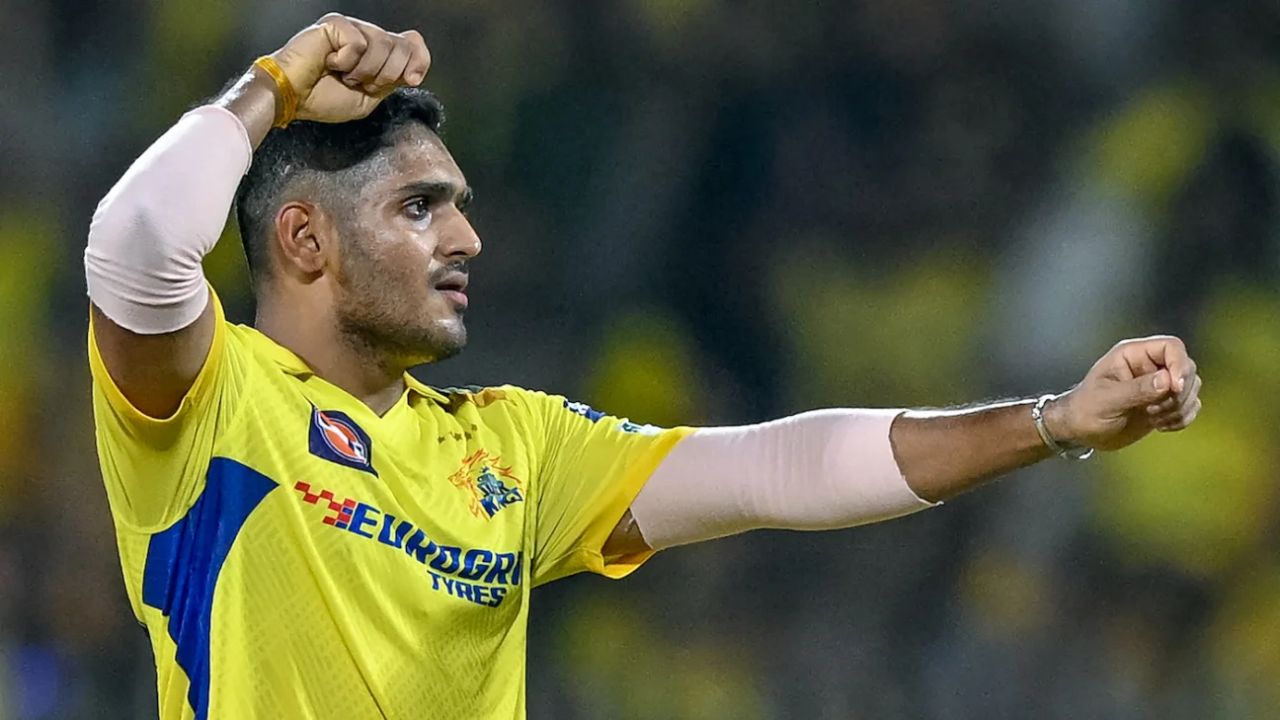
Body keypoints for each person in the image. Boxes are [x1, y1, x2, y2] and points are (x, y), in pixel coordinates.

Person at [84, 14, 1203, 720]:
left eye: (461, 206)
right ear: (304, 239)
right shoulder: (211, 398)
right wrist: (274, 85)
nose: (468, 238)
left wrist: (1053, 420)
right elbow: (132, 242)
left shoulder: (512, 445)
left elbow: (782, 469)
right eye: (420, 207)